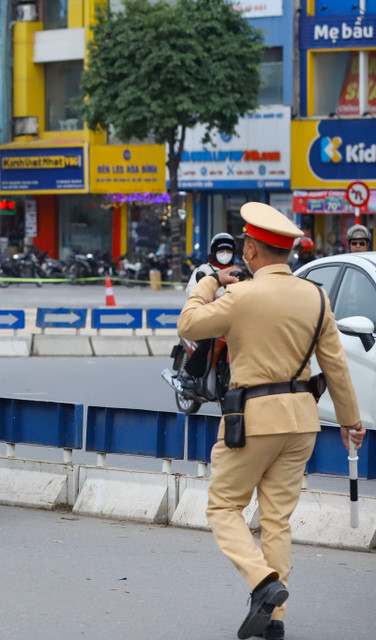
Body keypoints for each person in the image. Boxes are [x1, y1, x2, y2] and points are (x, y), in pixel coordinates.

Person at [177, 202, 364, 640]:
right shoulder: (316, 296)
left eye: (245, 246)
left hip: (253, 420)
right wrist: (351, 421)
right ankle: (274, 622)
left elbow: (189, 323)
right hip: (302, 422)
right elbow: (335, 366)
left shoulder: (240, 295)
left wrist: (208, 281)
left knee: (223, 506)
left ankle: (263, 584)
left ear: (252, 250)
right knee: (277, 519)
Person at [178, 233, 237, 392]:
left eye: (228, 251)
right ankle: (189, 374)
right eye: (221, 250)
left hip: (230, 321)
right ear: (214, 251)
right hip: (208, 316)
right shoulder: (204, 270)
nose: (225, 254)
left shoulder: (237, 272)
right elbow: (193, 290)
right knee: (209, 341)